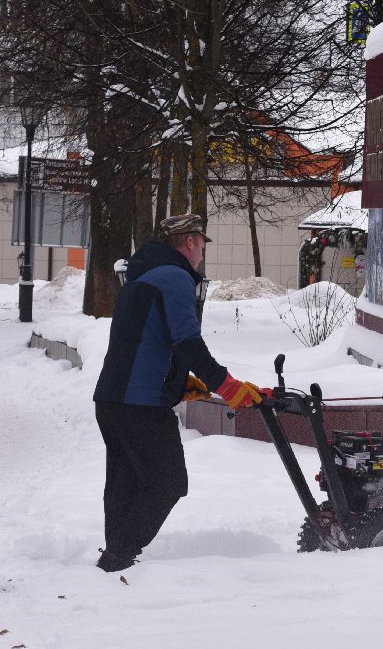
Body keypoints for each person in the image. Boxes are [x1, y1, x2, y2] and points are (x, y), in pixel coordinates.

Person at [91, 212, 266, 572]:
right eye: (202, 243)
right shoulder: (174, 278)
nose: (202, 251)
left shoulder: (142, 276)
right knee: (168, 482)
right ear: (190, 241)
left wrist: (177, 382)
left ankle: (115, 559)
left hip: (112, 398)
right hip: (140, 404)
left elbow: (143, 340)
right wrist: (227, 386)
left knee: (125, 478)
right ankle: (120, 555)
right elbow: (187, 341)